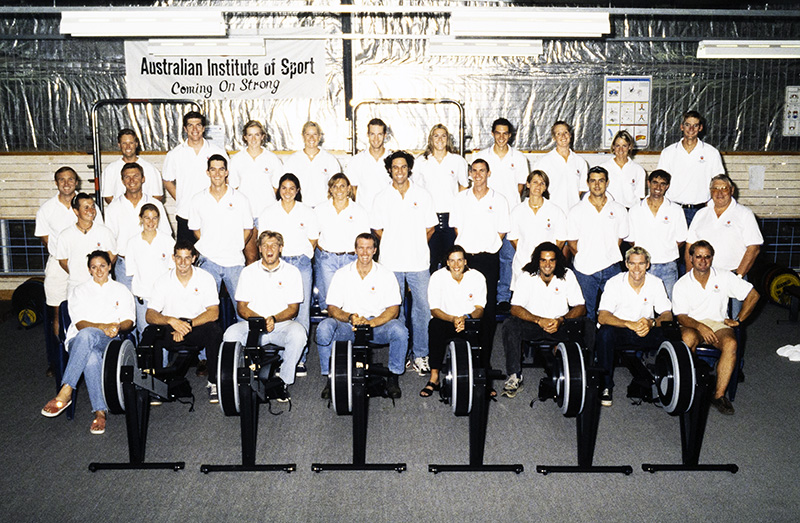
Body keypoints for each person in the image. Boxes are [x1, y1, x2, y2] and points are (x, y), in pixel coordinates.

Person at [40, 251, 135, 435]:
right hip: (79, 340)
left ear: (109, 266)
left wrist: (116, 327)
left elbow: (129, 321)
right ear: (89, 270)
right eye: (94, 267)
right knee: (89, 350)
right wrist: (102, 326)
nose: (99, 270)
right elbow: (80, 324)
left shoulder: (121, 290)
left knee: (89, 339)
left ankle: (65, 390)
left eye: (102, 266)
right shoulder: (80, 291)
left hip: (108, 340)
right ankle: (100, 412)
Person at [315, 233, 408, 399]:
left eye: (369, 248)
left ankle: (393, 376)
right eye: (361, 248)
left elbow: (393, 309)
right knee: (323, 328)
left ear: (375, 250)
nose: (364, 252)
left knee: (400, 330)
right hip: (348, 325)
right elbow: (332, 308)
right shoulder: (342, 274)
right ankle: (329, 378)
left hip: (376, 326)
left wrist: (371, 323)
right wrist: (350, 317)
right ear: (355, 250)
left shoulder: (386, 274)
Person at [673, 240, 760, 415]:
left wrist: (739, 319)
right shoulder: (681, 284)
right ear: (691, 258)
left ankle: (718, 396)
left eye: (707, 257)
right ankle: (688, 388)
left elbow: (753, 295)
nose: (703, 261)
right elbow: (681, 316)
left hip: (717, 323)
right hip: (692, 323)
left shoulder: (724, 276)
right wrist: (700, 327)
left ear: (712, 258)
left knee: (730, 344)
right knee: (687, 339)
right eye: (698, 256)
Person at [372, 150, 437, 376]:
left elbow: (430, 227)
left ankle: (421, 354)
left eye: (403, 167)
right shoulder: (381, 197)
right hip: (390, 262)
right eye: (395, 167)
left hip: (419, 262)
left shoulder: (423, 195)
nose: (399, 171)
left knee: (423, 309)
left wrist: (415, 243)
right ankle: (400, 354)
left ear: (409, 169)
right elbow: (377, 229)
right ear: (389, 169)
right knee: (395, 309)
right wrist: (393, 244)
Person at [222, 231, 307, 401]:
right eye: (265, 245)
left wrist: (274, 319)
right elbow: (242, 307)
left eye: (274, 245)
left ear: (280, 248)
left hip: (281, 325)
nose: (270, 249)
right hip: (253, 325)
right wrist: (259, 321)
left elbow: (293, 309)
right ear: (259, 249)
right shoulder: (248, 272)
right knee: (230, 334)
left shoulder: (292, 272)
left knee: (299, 334)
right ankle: (236, 381)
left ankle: (283, 380)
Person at [35, 167, 102, 367]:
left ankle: (89, 355)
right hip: (59, 265)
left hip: (90, 266)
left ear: (77, 182)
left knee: (89, 311)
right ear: (56, 183)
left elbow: (99, 232)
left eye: (70, 179)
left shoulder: (88, 206)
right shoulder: (46, 209)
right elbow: (48, 242)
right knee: (58, 313)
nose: (66, 183)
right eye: (62, 180)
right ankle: (58, 362)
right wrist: (70, 267)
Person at [500, 242, 585, 398]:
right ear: (537, 261)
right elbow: (515, 307)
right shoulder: (527, 276)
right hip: (534, 325)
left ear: (557, 261)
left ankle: (583, 372)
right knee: (510, 324)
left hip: (559, 325)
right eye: (543, 260)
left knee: (587, 325)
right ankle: (514, 375)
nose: (547, 264)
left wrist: (561, 320)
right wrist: (538, 320)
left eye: (551, 260)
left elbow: (580, 306)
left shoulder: (567, 275)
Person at [146, 241, 223, 403]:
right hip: (171, 328)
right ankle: (156, 383)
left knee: (214, 330)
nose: (182, 263)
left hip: (195, 327)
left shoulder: (205, 278)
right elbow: (150, 314)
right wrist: (171, 321)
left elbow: (213, 312)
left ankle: (214, 382)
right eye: (179, 258)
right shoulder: (162, 281)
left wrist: (186, 325)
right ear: (173, 258)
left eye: (187, 258)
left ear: (194, 258)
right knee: (150, 332)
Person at [255, 173, 318, 371]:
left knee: (302, 308)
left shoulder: (307, 211)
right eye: (284, 188)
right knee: (279, 307)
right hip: (277, 265)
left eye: (292, 188)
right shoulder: (268, 212)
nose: (288, 192)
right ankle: (282, 354)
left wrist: (303, 257)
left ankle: (300, 357)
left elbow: (313, 239)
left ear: (298, 191)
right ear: (278, 190)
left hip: (300, 264)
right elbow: (263, 241)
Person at [595, 246, 673, 407]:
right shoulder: (614, 283)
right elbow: (603, 316)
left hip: (645, 330)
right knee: (604, 333)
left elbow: (667, 315)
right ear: (626, 264)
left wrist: (651, 323)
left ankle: (669, 383)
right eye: (632, 263)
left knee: (672, 333)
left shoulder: (656, 283)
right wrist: (628, 324)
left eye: (641, 264)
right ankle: (606, 386)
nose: (637, 268)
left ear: (648, 265)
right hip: (621, 330)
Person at [450, 158, 510, 364]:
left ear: (488, 173)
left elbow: (502, 231)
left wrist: (488, 246)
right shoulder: (460, 198)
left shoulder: (499, 200)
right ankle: (463, 354)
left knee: (488, 307)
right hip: (465, 260)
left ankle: (483, 359)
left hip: (488, 259)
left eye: (481, 171)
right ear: (469, 174)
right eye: (474, 171)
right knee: (463, 303)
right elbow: (457, 228)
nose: (477, 175)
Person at [685, 174, 763, 320]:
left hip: (732, 276)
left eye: (724, 188)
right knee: (703, 320)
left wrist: (738, 276)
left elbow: (754, 248)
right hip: (704, 277)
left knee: (733, 323)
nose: (719, 193)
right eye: (715, 189)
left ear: (731, 190)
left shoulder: (744, 214)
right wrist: (690, 276)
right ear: (710, 191)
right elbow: (690, 247)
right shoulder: (701, 214)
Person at [188, 154, 253, 310]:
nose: (217, 174)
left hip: (235, 262)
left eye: (221, 169)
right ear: (207, 172)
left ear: (226, 172)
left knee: (243, 310)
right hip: (208, 262)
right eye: (213, 169)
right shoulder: (197, 199)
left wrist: (235, 245)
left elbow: (248, 228)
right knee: (204, 311)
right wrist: (209, 244)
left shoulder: (240, 199)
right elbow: (195, 229)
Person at [475, 118, 529, 308]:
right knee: (485, 257)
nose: (501, 137)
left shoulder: (519, 158)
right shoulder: (482, 156)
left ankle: (503, 297)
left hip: (511, 215)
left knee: (507, 257)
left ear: (511, 135)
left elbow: (521, 187)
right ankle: (484, 297)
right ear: (492, 133)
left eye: (505, 133)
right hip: (486, 216)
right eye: (498, 133)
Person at [422, 245, 486, 397]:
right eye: (452, 261)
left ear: (465, 261)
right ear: (447, 263)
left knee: (484, 327)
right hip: (445, 319)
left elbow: (480, 308)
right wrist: (453, 319)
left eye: (459, 260)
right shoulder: (437, 277)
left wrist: (466, 318)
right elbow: (434, 309)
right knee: (434, 327)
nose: (456, 265)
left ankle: (482, 377)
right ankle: (434, 377)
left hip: (468, 320)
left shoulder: (477, 277)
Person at [567, 166, 629, 320]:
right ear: (587, 183)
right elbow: (572, 243)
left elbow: (620, 238)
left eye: (601, 180)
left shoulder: (619, 209)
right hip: (584, 270)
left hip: (612, 268)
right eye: (593, 181)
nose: (597, 185)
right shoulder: (576, 210)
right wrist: (585, 257)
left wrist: (607, 255)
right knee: (586, 314)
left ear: (607, 182)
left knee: (616, 311)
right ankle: (588, 344)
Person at [162, 111, 228, 243]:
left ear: (204, 128)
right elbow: (167, 180)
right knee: (186, 258)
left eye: (198, 125)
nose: (195, 129)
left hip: (213, 214)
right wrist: (181, 197)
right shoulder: (175, 154)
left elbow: (227, 180)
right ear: (185, 129)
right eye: (190, 126)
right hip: (185, 214)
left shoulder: (217, 151)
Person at [104, 162, 171, 290]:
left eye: (136, 176)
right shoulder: (113, 208)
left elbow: (166, 235)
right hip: (124, 265)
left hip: (154, 263)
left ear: (143, 178)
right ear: (122, 180)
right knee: (127, 306)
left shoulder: (155, 204)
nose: (132, 180)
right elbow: (109, 242)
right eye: (127, 177)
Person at [626, 170, 688, 300]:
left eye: (662, 184)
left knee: (667, 306)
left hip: (668, 266)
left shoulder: (676, 210)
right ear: (648, 183)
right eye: (655, 182)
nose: (658, 187)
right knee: (642, 304)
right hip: (642, 267)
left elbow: (681, 239)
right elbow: (632, 240)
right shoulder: (635, 209)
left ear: (667, 186)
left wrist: (665, 250)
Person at [415, 124, 469, 272]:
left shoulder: (457, 161)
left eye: (443, 135)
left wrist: (458, 212)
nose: (440, 139)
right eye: (436, 135)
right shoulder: (421, 161)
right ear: (431, 139)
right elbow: (417, 191)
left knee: (451, 262)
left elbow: (464, 186)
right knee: (429, 261)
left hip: (450, 219)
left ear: (448, 139)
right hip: (428, 219)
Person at [228, 120, 284, 263]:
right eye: (250, 135)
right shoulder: (236, 160)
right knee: (251, 258)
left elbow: (277, 187)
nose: (253, 139)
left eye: (257, 135)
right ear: (245, 137)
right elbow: (233, 188)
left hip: (267, 214)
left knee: (270, 257)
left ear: (263, 136)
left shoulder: (272, 159)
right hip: (246, 216)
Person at [313, 173, 370, 313]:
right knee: (331, 303)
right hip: (327, 260)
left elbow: (364, 240)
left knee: (350, 301)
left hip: (350, 260)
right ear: (330, 189)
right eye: (335, 186)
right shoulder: (320, 210)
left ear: (349, 188)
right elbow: (314, 235)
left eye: (342, 186)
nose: (339, 190)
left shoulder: (359, 211)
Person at [657, 110, 725, 225]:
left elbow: (719, 183)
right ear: (682, 127)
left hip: (701, 211)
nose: (691, 129)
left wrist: (714, 206)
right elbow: (660, 182)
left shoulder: (711, 153)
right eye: (688, 125)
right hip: (674, 209)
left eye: (695, 125)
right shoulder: (668, 152)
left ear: (700, 128)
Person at [508, 170, 567, 290]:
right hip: (522, 264)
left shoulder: (556, 211)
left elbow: (560, 241)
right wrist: (528, 255)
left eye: (542, 183)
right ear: (528, 184)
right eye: (535, 182)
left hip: (547, 267)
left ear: (545, 188)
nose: (538, 186)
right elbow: (514, 239)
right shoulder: (517, 211)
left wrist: (546, 259)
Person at [124, 203, 175, 339]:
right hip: (143, 299)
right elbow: (131, 274)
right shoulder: (132, 243)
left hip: (163, 299)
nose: (151, 222)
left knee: (164, 336)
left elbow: (172, 271)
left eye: (154, 218)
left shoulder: (168, 241)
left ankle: (164, 362)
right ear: (140, 219)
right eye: (147, 218)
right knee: (145, 336)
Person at [56, 193, 116, 295]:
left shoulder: (105, 232)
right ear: (76, 211)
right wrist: (78, 274)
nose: (91, 211)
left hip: (101, 286)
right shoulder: (65, 235)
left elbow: (112, 256)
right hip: (76, 286)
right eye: (86, 208)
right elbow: (63, 262)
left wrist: (99, 274)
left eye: (93, 207)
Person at [280, 121, 340, 208]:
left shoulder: (330, 160)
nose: (311, 138)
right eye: (308, 134)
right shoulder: (292, 160)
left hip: (324, 208)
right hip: (299, 208)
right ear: (303, 136)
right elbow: (285, 187)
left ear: (319, 137)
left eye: (315, 134)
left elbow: (336, 187)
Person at [533, 121, 588, 214]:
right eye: (559, 133)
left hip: (573, 213)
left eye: (565, 132)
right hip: (550, 212)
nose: (563, 136)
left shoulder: (580, 161)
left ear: (570, 135)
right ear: (554, 138)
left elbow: (581, 189)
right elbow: (536, 189)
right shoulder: (544, 161)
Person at [100, 128, 164, 204]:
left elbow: (157, 196)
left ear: (136, 144)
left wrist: (143, 211)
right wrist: (123, 210)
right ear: (119, 145)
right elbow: (108, 196)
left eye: (131, 143)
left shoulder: (150, 169)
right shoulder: (110, 170)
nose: (128, 147)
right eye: (124, 143)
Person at [345, 118, 391, 213]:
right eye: (372, 134)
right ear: (368, 135)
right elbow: (352, 191)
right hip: (364, 217)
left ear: (385, 135)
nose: (376, 139)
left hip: (387, 215)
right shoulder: (356, 161)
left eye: (380, 134)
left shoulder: (393, 160)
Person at [600, 130, 646, 209]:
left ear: (630, 147)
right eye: (618, 145)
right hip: (610, 211)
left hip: (630, 211)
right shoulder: (603, 168)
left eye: (624, 146)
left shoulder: (638, 170)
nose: (620, 150)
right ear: (613, 147)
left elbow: (640, 197)